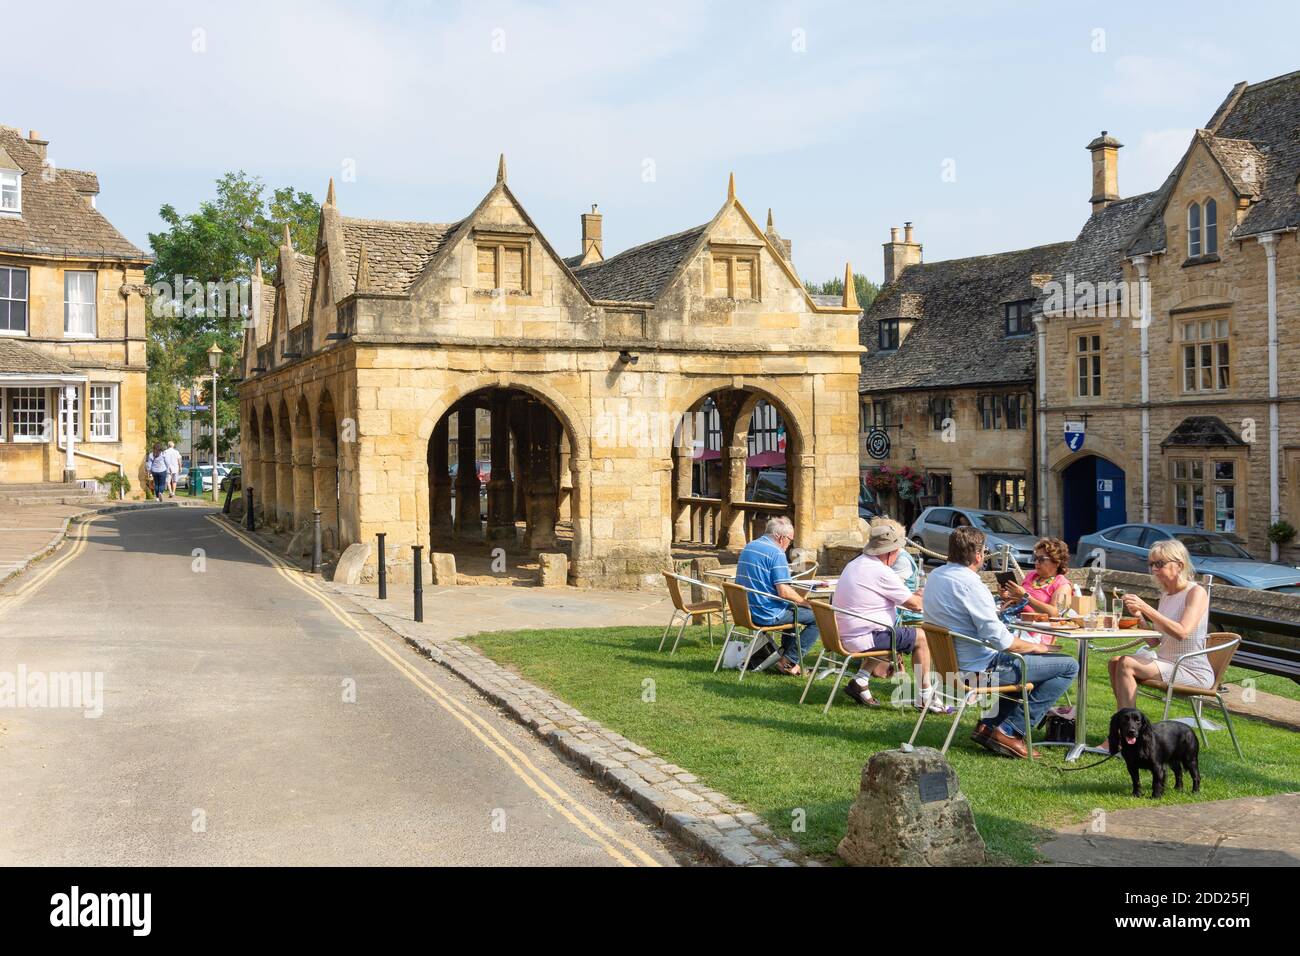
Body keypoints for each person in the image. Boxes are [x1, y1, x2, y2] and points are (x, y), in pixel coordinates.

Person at [922, 525, 1080, 759]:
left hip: (950, 668)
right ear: (978, 555)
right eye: (984, 551)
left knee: (1033, 667)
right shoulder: (971, 584)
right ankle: (1010, 730)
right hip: (979, 671)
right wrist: (1036, 647)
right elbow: (1001, 640)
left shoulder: (935, 576)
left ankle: (989, 725)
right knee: (1068, 666)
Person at [832, 519, 948, 712]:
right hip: (862, 636)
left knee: (890, 632)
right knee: (922, 637)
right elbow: (916, 605)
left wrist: (913, 597)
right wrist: (926, 595)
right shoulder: (881, 572)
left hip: (847, 632)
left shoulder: (855, 563)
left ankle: (860, 681)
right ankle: (925, 696)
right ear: (890, 552)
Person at [1107, 538, 1214, 709]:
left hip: (1192, 670)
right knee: (1114, 662)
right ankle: (1125, 726)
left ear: (1179, 565)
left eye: (1160, 563)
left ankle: (1127, 730)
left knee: (1126, 662)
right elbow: (1154, 642)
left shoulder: (1196, 592)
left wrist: (1146, 608)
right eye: (1152, 564)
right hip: (1167, 664)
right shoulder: (1166, 595)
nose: (1154, 569)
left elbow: (1182, 632)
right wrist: (1139, 616)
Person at [734, 516, 819, 676]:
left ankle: (786, 657)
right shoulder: (776, 553)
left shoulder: (749, 546)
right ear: (781, 537)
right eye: (790, 540)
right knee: (817, 617)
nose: (789, 545)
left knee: (794, 609)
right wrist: (805, 602)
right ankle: (788, 661)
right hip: (766, 613)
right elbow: (784, 591)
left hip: (746, 611)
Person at [998, 537, 1072, 644]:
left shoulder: (1062, 584)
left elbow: (1055, 614)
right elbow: (1019, 603)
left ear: (1056, 562)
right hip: (1017, 625)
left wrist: (1026, 597)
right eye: (1035, 558)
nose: (1036, 562)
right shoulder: (1031, 576)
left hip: (1037, 633)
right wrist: (1006, 597)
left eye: (1041, 559)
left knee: (996, 639)